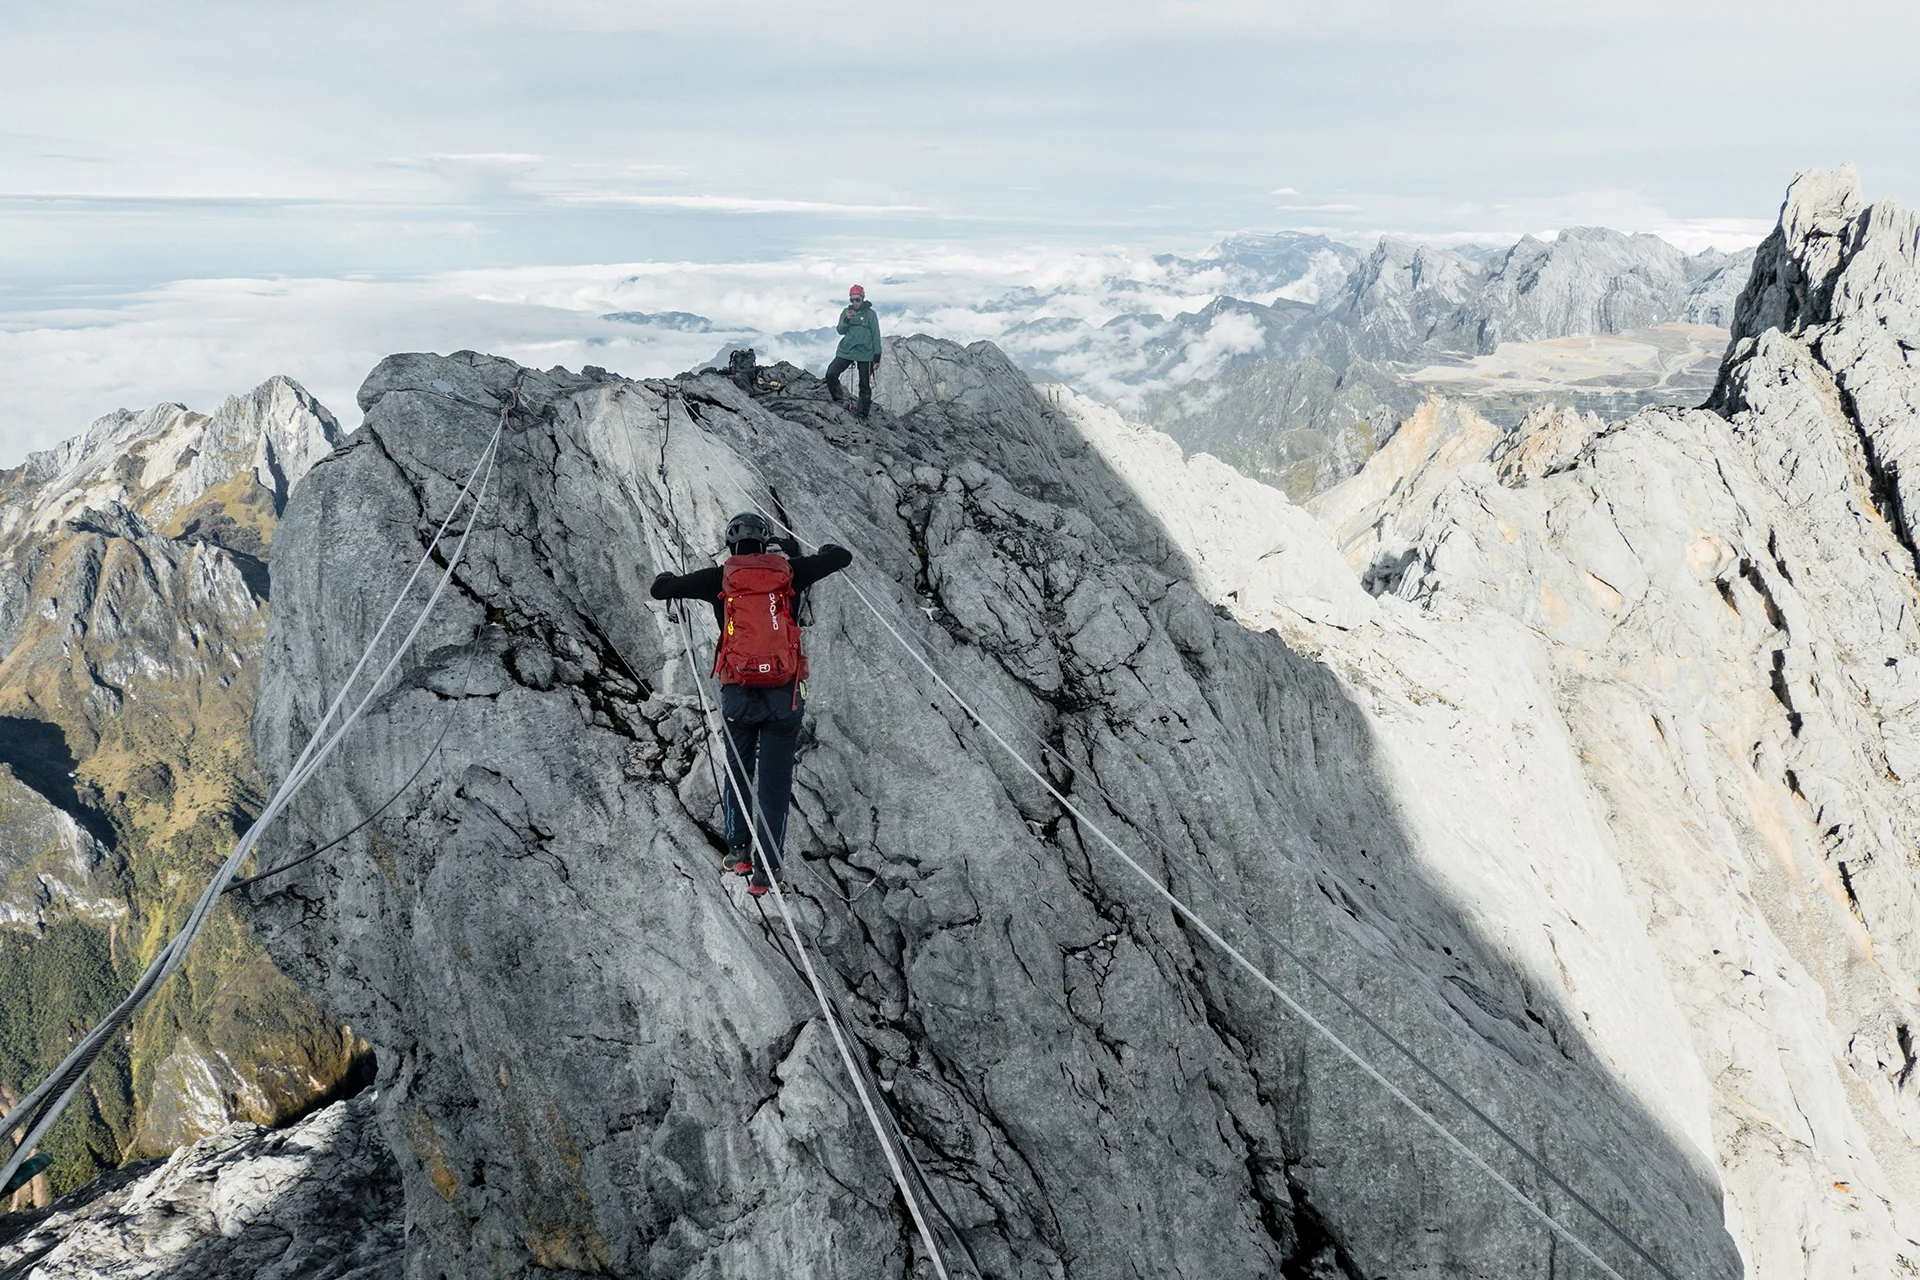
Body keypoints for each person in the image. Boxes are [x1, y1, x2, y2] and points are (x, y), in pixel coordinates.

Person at [650, 512, 852, 895]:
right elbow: (841, 557)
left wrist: (665, 581)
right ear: (766, 541)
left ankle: (738, 852)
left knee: (739, 774)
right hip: (783, 697)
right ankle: (767, 871)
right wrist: (823, 552)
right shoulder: (790, 572)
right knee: (774, 786)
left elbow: (661, 590)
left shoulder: (718, 578)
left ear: (731, 544)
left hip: (738, 696)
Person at [825, 284, 882, 418]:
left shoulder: (870, 314)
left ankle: (862, 414)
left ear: (862, 298)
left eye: (857, 299)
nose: (855, 303)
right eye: (852, 300)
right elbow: (840, 330)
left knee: (864, 385)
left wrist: (877, 356)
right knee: (831, 373)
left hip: (865, 353)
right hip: (847, 350)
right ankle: (838, 400)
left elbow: (876, 335)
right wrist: (846, 319)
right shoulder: (846, 312)